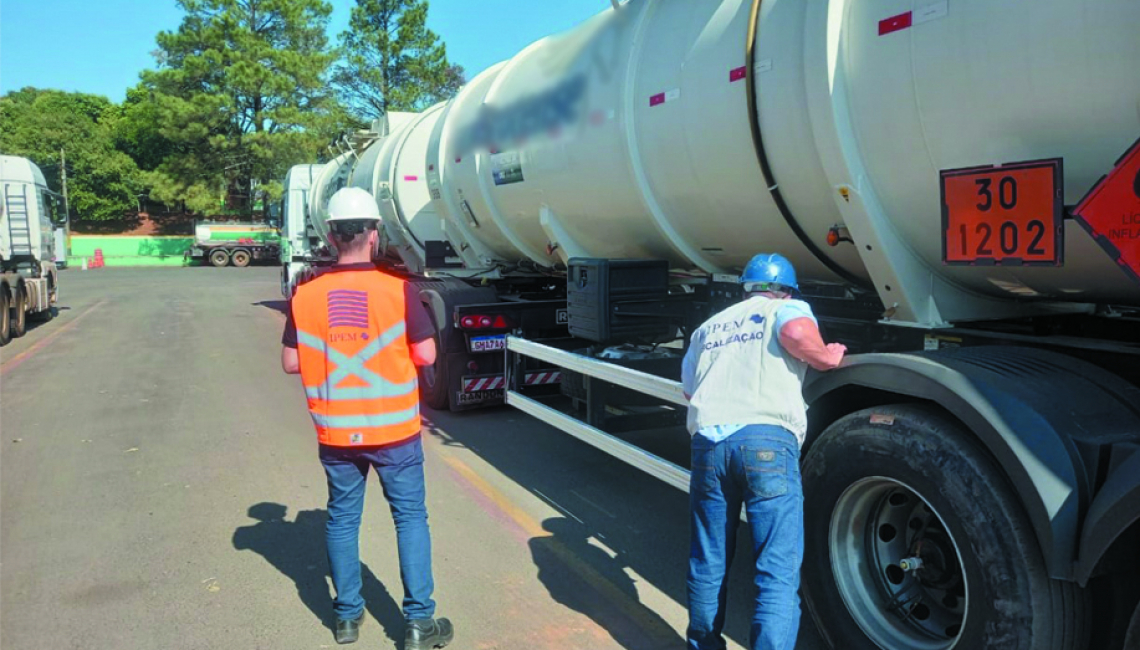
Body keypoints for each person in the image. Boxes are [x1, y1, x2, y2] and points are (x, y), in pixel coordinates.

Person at [281, 187, 454, 650]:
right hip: (394, 430)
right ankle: (419, 623)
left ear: (332, 236)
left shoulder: (305, 295)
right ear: (374, 235)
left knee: (341, 519)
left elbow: (292, 362)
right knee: (410, 518)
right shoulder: (399, 291)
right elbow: (426, 353)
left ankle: (346, 618)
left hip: (336, 430)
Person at [681, 253, 846, 650]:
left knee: (709, 558)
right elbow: (796, 336)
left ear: (745, 288)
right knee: (776, 569)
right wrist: (827, 356)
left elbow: (690, 388)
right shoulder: (786, 308)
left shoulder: (709, 326)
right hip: (766, 442)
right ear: (784, 288)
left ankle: (702, 645)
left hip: (708, 444)